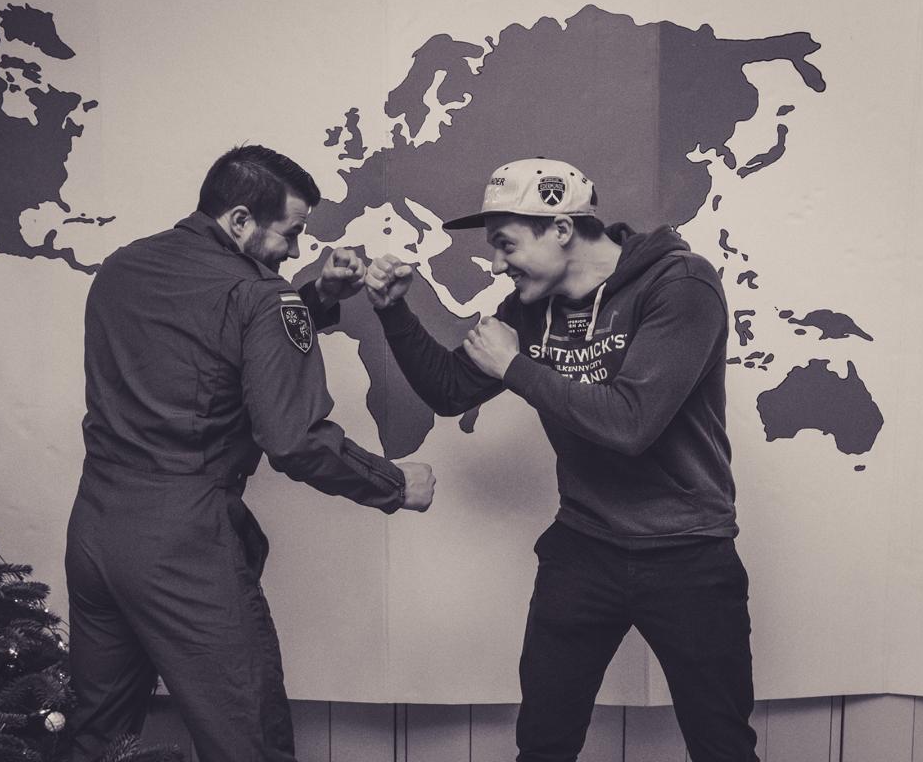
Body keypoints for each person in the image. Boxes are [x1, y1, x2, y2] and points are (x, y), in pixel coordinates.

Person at [365, 158, 758, 761]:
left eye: (506, 244)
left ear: (562, 228)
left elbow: (630, 424)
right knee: (544, 743)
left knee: (721, 746)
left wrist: (516, 367)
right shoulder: (530, 307)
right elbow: (449, 390)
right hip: (584, 547)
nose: (497, 264)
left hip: (688, 553)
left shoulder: (680, 286)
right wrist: (393, 311)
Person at [66, 144, 436, 762]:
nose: (295, 250)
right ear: (240, 220)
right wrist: (394, 484)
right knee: (248, 741)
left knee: (100, 736)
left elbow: (207, 345)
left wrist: (320, 294)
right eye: (290, 233)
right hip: (183, 540)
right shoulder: (263, 297)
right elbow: (294, 440)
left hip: (96, 529)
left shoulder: (123, 266)